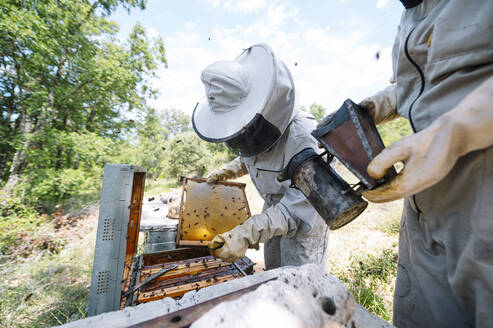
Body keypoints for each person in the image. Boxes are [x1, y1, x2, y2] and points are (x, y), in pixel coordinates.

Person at [353, 1, 493, 326]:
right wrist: (380, 103)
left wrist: (457, 130)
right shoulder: (408, 19)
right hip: (423, 205)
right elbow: (422, 86)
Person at [192, 43, 330, 270]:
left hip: (305, 221)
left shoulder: (302, 137)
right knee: (274, 272)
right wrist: (229, 170)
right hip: (272, 212)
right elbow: (254, 155)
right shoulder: (256, 135)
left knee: (300, 290)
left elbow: (300, 207)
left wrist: (247, 233)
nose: (242, 136)